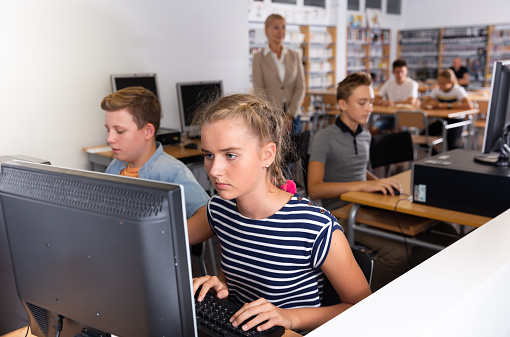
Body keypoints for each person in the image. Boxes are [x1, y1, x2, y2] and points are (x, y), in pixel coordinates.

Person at [191, 94, 371, 333]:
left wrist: (288, 317)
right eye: (209, 155)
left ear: (267, 155)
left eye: (230, 155)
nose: (214, 170)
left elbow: (364, 307)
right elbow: (167, 237)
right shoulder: (219, 210)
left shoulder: (315, 226)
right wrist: (220, 285)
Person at [307, 72, 409, 291]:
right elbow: (314, 189)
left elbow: (358, 171)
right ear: (342, 104)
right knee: (399, 253)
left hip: (365, 204)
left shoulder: (364, 135)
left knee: (414, 236)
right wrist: (364, 185)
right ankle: (362, 296)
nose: (369, 108)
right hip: (341, 215)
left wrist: (379, 182)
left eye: (371, 102)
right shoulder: (324, 138)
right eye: (362, 103)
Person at [101, 86, 210, 243]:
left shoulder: (171, 171)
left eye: (119, 131)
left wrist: (164, 239)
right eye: (108, 130)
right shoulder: (115, 166)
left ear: (148, 131)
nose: (110, 138)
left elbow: (206, 218)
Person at [252, 14, 306, 134]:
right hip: (270, 115)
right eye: (276, 27)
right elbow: (259, 90)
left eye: (283, 27)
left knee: (294, 149)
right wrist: (275, 116)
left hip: (293, 114)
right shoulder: (258, 58)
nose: (281, 31)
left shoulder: (295, 56)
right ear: (267, 31)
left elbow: (301, 86)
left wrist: (290, 115)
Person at [422, 69, 475, 150]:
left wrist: (448, 106)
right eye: (439, 83)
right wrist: (433, 104)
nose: (440, 85)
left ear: (450, 82)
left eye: (443, 83)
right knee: (423, 139)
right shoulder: (437, 90)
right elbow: (423, 104)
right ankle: (435, 157)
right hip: (442, 120)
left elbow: (469, 106)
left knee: (451, 145)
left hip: (457, 121)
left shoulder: (457, 90)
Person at [371, 59, 420, 135]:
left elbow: (411, 101)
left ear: (406, 71)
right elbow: (377, 98)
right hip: (389, 116)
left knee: (397, 131)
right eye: (397, 72)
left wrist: (392, 103)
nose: (400, 75)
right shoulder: (389, 83)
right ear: (393, 72)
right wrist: (383, 102)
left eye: (402, 72)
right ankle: (380, 146)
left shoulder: (412, 84)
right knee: (373, 129)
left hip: (405, 116)